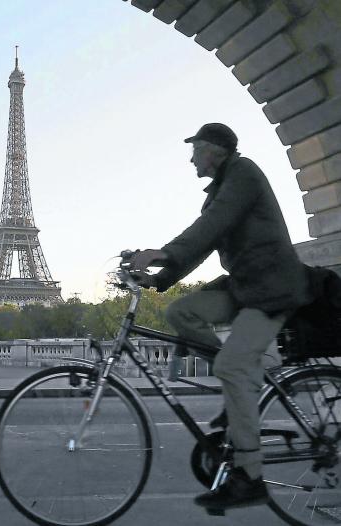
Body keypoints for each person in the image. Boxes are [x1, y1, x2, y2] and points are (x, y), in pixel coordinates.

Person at [128, 123, 311, 511]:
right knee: (183, 311)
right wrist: (159, 277)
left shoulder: (243, 174)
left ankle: (250, 476)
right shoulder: (219, 192)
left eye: (194, 149)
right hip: (245, 285)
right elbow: (204, 243)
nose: (190, 157)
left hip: (271, 287)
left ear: (213, 150)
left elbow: (210, 227)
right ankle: (244, 377)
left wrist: (161, 251)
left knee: (231, 364)